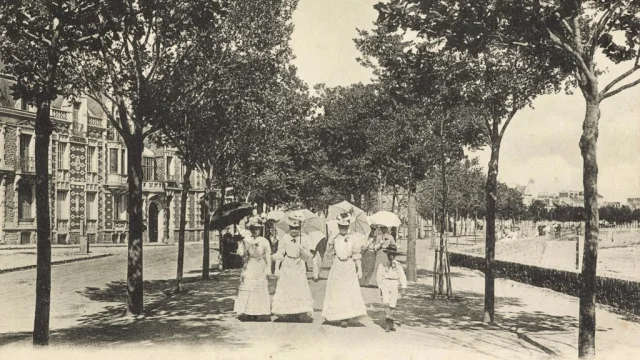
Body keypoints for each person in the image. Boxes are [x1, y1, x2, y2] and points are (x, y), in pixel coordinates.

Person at [322, 212, 368, 328]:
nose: (343, 229)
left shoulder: (353, 238)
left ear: (348, 227)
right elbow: (328, 253)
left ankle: (345, 318)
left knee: (348, 291)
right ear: (338, 226)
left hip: (349, 266)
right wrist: (331, 241)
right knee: (336, 290)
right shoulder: (335, 238)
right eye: (341, 227)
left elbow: (356, 254)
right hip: (337, 265)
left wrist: (359, 269)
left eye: (345, 227)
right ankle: (336, 315)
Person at [271, 212, 314, 321]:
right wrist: (276, 268)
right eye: (292, 228)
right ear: (289, 227)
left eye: (296, 228)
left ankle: (299, 312)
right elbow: (280, 253)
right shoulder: (285, 238)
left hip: (299, 266)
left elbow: (308, 257)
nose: (294, 230)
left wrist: (302, 251)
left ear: (300, 228)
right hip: (287, 265)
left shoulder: (304, 238)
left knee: (299, 288)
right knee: (287, 288)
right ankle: (287, 312)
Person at [233, 216, 272, 321]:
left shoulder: (264, 241)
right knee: (248, 286)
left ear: (260, 229)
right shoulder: (246, 240)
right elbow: (242, 254)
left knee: (258, 287)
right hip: (249, 265)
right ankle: (248, 312)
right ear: (250, 229)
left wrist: (269, 267)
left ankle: (258, 312)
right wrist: (240, 244)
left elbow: (268, 255)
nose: (255, 231)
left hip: (260, 265)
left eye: (257, 228)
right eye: (253, 228)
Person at [376, 243, 407, 332]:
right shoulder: (382, 264)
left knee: (393, 303)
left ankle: (391, 322)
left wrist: (404, 287)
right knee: (386, 303)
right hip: (385, 283)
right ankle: (387, 323)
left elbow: (402, 276)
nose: (391, 256)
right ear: (387, 254)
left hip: (394, 283)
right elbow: (379, 276)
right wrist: (380, 287)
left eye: (393, 255)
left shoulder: (398, 265)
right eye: (389, 254)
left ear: (395, 255)